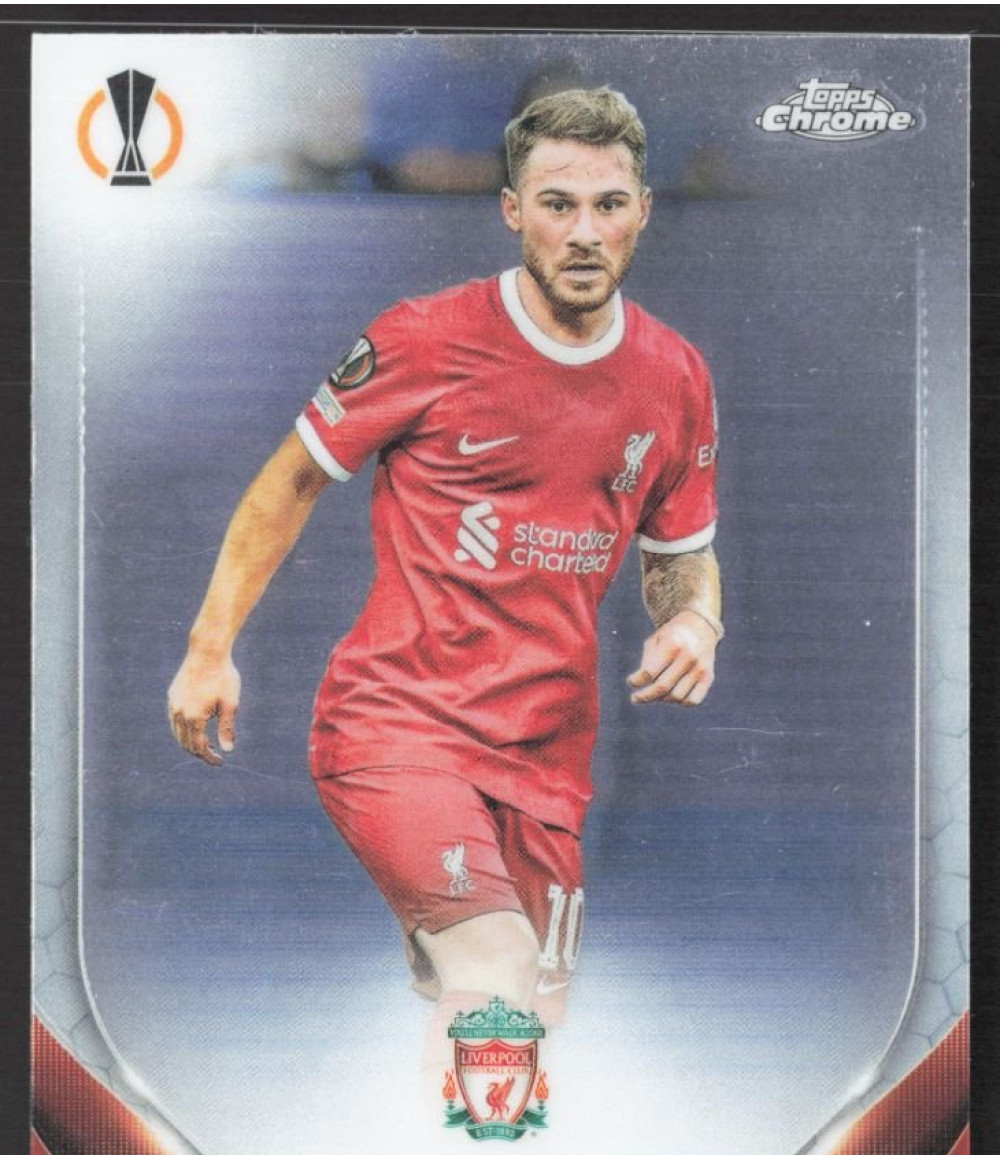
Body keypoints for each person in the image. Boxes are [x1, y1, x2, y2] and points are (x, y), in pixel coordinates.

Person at [168, 88, 723, 1092]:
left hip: (546, 759)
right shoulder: (425, 337)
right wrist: (211, 647)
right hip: (397, 724)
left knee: (524, 1020)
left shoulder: (675, 375)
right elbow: (288, 480)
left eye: (608, 204)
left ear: (643, 210)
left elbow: (680, 548)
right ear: (511, 211)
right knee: (495, 965)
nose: (584, 231)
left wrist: (695, 616)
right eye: (556, 204)